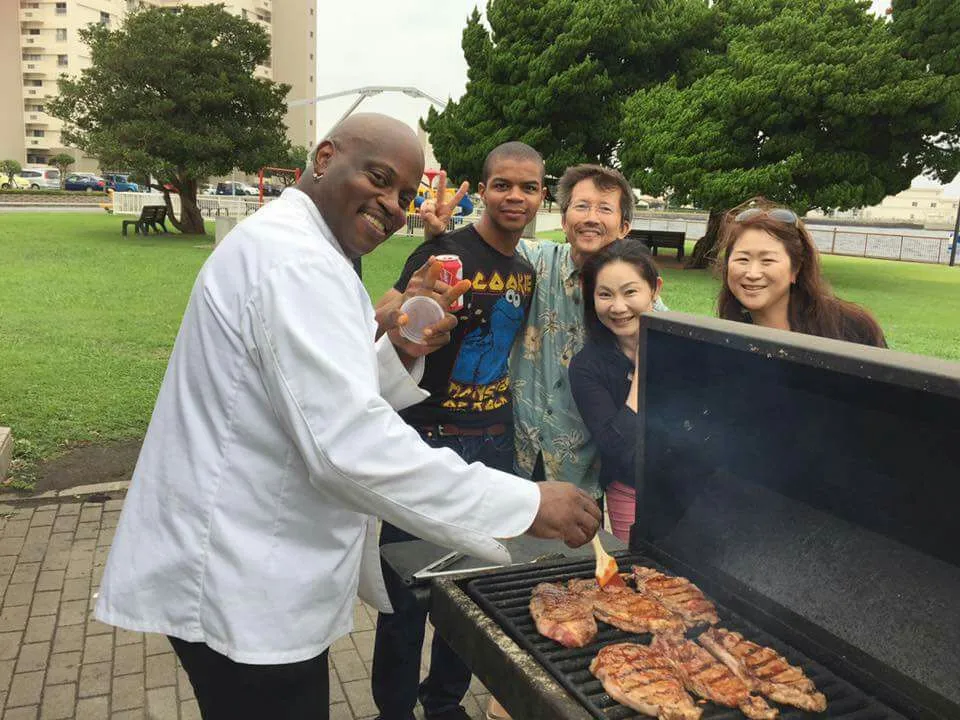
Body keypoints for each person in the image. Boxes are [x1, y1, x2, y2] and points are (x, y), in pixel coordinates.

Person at [93, 114, 601, 720]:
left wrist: (403, 348)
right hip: (238, 576)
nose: (390, 205)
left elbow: (319, 391)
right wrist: (527, 504)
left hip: (251, 568)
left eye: (405, 195)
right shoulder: (296, 262)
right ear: (327, 156)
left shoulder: (306, 248)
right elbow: (347, 446)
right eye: (379, 179)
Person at [371, 142, 545, 720]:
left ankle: (443, 705)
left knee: (474, 594)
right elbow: (385, 317)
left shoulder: (527, 271)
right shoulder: (445, 252)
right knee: (405, 596)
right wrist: (406, 312)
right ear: (486, 189)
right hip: (426, 439)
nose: (515, 197)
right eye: (502, 185)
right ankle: (393, 712)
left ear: (542, 195)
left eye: (528, 187)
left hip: (494, 442)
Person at [510, 164, 668, 500]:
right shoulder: (535, 261)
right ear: (564, 220)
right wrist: (437, 235)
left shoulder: (646, 313)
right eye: (581, 206)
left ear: (624, 226)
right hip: (517, 453)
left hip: (585, 471)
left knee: (581, 553)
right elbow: (487, 247)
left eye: (605, 208)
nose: (591, 217)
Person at [568, 240, 663, 542]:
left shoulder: (688, 346)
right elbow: (616, 447)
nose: (618, 307)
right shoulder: (587, 366)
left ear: (655, 289)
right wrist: (643, 369)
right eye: (605, 294)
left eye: (630, 292)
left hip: (693, 489)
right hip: (628, 491)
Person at [718, 199, 886, 347]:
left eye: (767, 261)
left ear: (796, 268)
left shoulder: (851, 329)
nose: (752, 274)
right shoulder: (727, 337)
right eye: (742, 260)